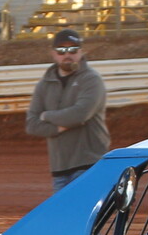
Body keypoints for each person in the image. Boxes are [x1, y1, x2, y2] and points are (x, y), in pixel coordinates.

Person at [25, 28, 110, 192]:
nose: (67, 54)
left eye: (72, 49)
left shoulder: (91, 79)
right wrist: (59, 127)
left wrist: (46, 115)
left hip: (88, 163)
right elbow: (32, 125)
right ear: (53, 53)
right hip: (59, 168)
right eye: (61, 50)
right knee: (64, 217)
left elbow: (80, 114)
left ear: (81, 51)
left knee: (87, 215)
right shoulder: (44, 84)